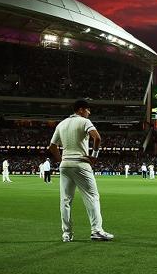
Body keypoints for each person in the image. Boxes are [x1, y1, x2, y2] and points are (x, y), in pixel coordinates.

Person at [48, 99, 113, 242]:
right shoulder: (84, 122)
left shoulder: (61, 124)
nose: (89, 113)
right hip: (81, 164)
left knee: (65, 200)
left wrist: (62, 161)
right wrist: (94, 157)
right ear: (81, 109)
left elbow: (52, 147)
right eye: (88, 110)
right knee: (92, 197)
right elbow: (97, 137)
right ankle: (96, 230)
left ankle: (67, 234)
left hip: (65, 165)